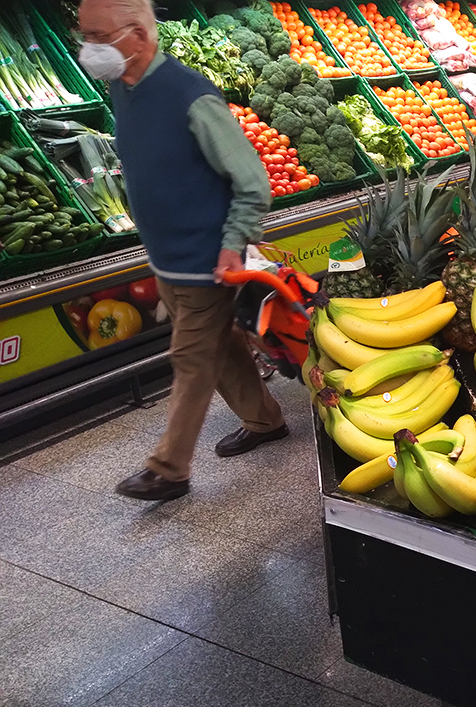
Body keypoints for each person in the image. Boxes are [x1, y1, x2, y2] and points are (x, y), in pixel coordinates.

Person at [77, 0, 289, 502]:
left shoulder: (191, 96)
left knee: (191, 360)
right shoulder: (123, 86)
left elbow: (253, 181)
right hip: (167, 261)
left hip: (207, 262)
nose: (88, 47)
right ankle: (266, 421)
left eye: (98, 36)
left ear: (138, 36)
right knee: (224, 350)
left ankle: (168, 470)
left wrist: (234, 244)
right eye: (83, 33)